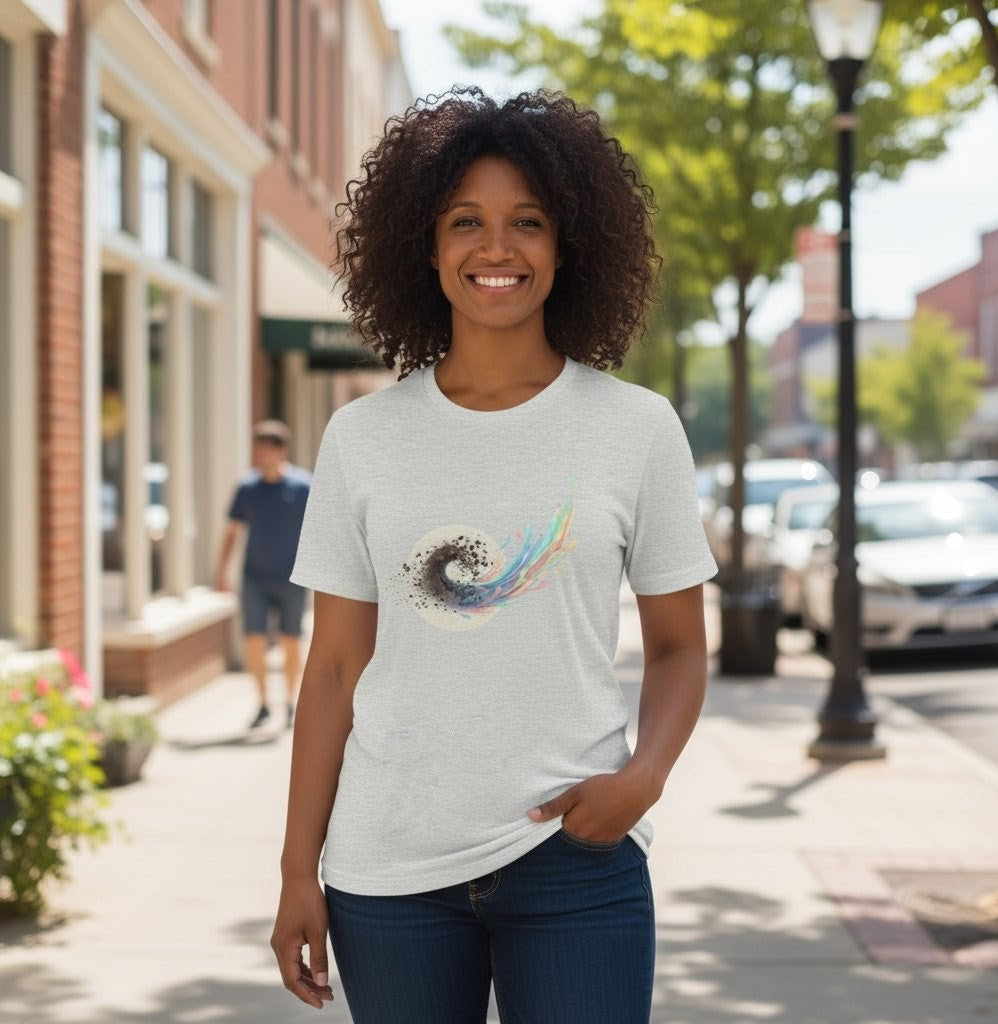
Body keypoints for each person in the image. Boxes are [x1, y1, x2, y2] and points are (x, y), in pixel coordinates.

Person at [271, 88, 717, 1022]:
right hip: (387, 870)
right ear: (425, 249)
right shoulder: (363, 437)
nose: (497, 248)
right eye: (465, 221)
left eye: (528, 222)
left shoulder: (636, 429)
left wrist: (643, 778)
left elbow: (679, 644)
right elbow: (336, 669)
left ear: (566, 247)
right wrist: (295, 870)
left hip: (574, 862)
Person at [216, 419, 311, 729]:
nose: (259, 455)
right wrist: (222, 571)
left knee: (290, 640)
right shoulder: (248, 488)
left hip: (292, 577)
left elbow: (319, 532)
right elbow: (232, 531)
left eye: (264, 449)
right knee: (253, 639)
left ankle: (290, 702)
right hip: (254, 576)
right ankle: (262, 703)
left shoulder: (303, 487)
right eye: (256, 449)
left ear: (280, 450)